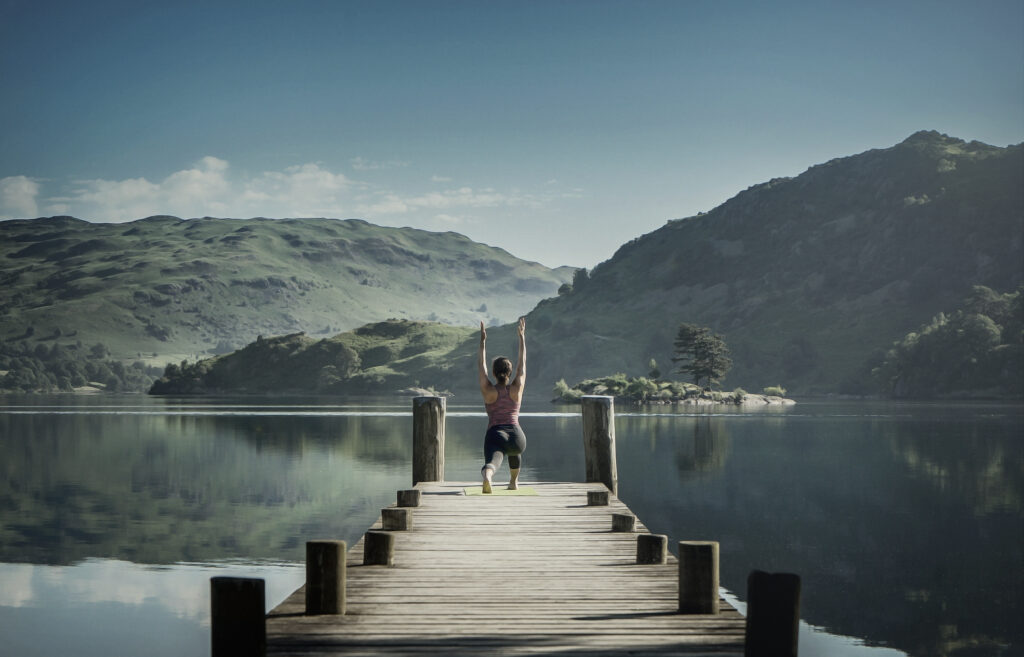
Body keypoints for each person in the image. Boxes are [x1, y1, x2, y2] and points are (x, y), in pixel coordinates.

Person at [477, 317, 527, 494]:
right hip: (517, 436)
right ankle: (514, 483)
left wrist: (483, 341)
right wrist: (522, 338)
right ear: (510, 372)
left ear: (493, 373)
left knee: (494, 459)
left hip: (495, 433)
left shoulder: (488, 390)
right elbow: (522, 365)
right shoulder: (517, 388)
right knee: (514, 452)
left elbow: (481, 366)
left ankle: (488, 476)